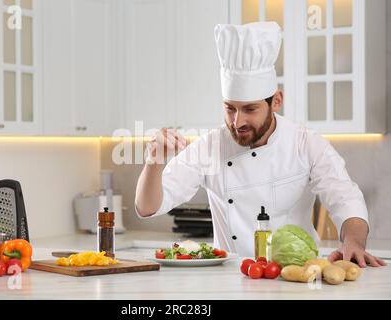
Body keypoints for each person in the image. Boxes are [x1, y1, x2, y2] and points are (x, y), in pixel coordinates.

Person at [135, 22, 385, 267]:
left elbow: (345, 198)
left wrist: (353, 243)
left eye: (249, 109)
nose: (237, 121)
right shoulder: (211, 146)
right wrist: (154, 162)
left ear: (276, 101)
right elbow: (147, 207)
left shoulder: (305, 142)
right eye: (230, 108)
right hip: (231, 280)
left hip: (294, 277)